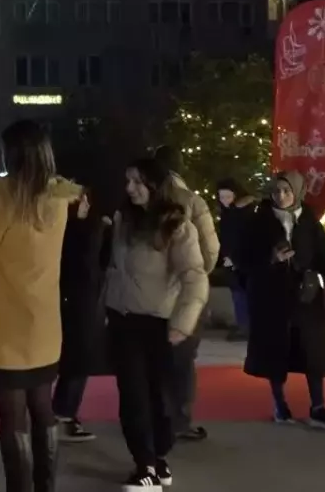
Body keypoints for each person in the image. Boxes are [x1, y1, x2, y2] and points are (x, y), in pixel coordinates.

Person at [0, 120, 81, 492]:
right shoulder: (59, 197)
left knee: (12, 417)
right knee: (43, 410)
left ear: (12, 154)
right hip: (43, 324)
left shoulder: (5, 197)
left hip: (4, 326)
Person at [105, 156, 208, 490]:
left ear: (154, 185)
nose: (130, 188)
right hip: (123, 321)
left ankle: (157, 457)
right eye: (127, 181)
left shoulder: (177, 226)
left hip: (160, 323)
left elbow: (195, 277)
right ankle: (145, 465)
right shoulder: (123, 220)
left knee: (162, 399)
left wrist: (183, 322)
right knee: (133, 396)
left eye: (137, 182)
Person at [242, 171, 325, 429]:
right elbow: (243, 259)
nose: (281, 196)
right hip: (271, 298)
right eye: (277, 190)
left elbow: (324, 257)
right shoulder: (260, 221)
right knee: (275, 351)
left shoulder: (309, 220)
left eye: (287, 191)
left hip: (305, 296)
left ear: (298, 192)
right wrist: (271, 259)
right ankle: (280, 404)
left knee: (313, 350)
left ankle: (318, 406)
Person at [152, 145, 218, 442]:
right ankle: (179, 419)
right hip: (185, 294)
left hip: (152, 295)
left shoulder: (148, 199)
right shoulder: (192, 201)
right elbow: (210, 249)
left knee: (153, 359)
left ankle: (154, 415)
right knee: (183, 361)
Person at [53, 187, 112, 443]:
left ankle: (62, 412)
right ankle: (62, 413)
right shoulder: (82, 228)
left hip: (81, 296)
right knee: (76, 355)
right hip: (77, 296)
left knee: (77, 355)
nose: (84, 203)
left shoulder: (90, 226)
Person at [215, 178, 256, 341]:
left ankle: (246, 327)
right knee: (238, 293)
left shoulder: (242, 213)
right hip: (231, 260)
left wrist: (234, 258)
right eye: (221, 197)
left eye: (227, 196)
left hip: (242, 261)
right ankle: (243, 325)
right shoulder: (229, 212)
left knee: (242, 294)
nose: (224, 200)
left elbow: (244, 238)